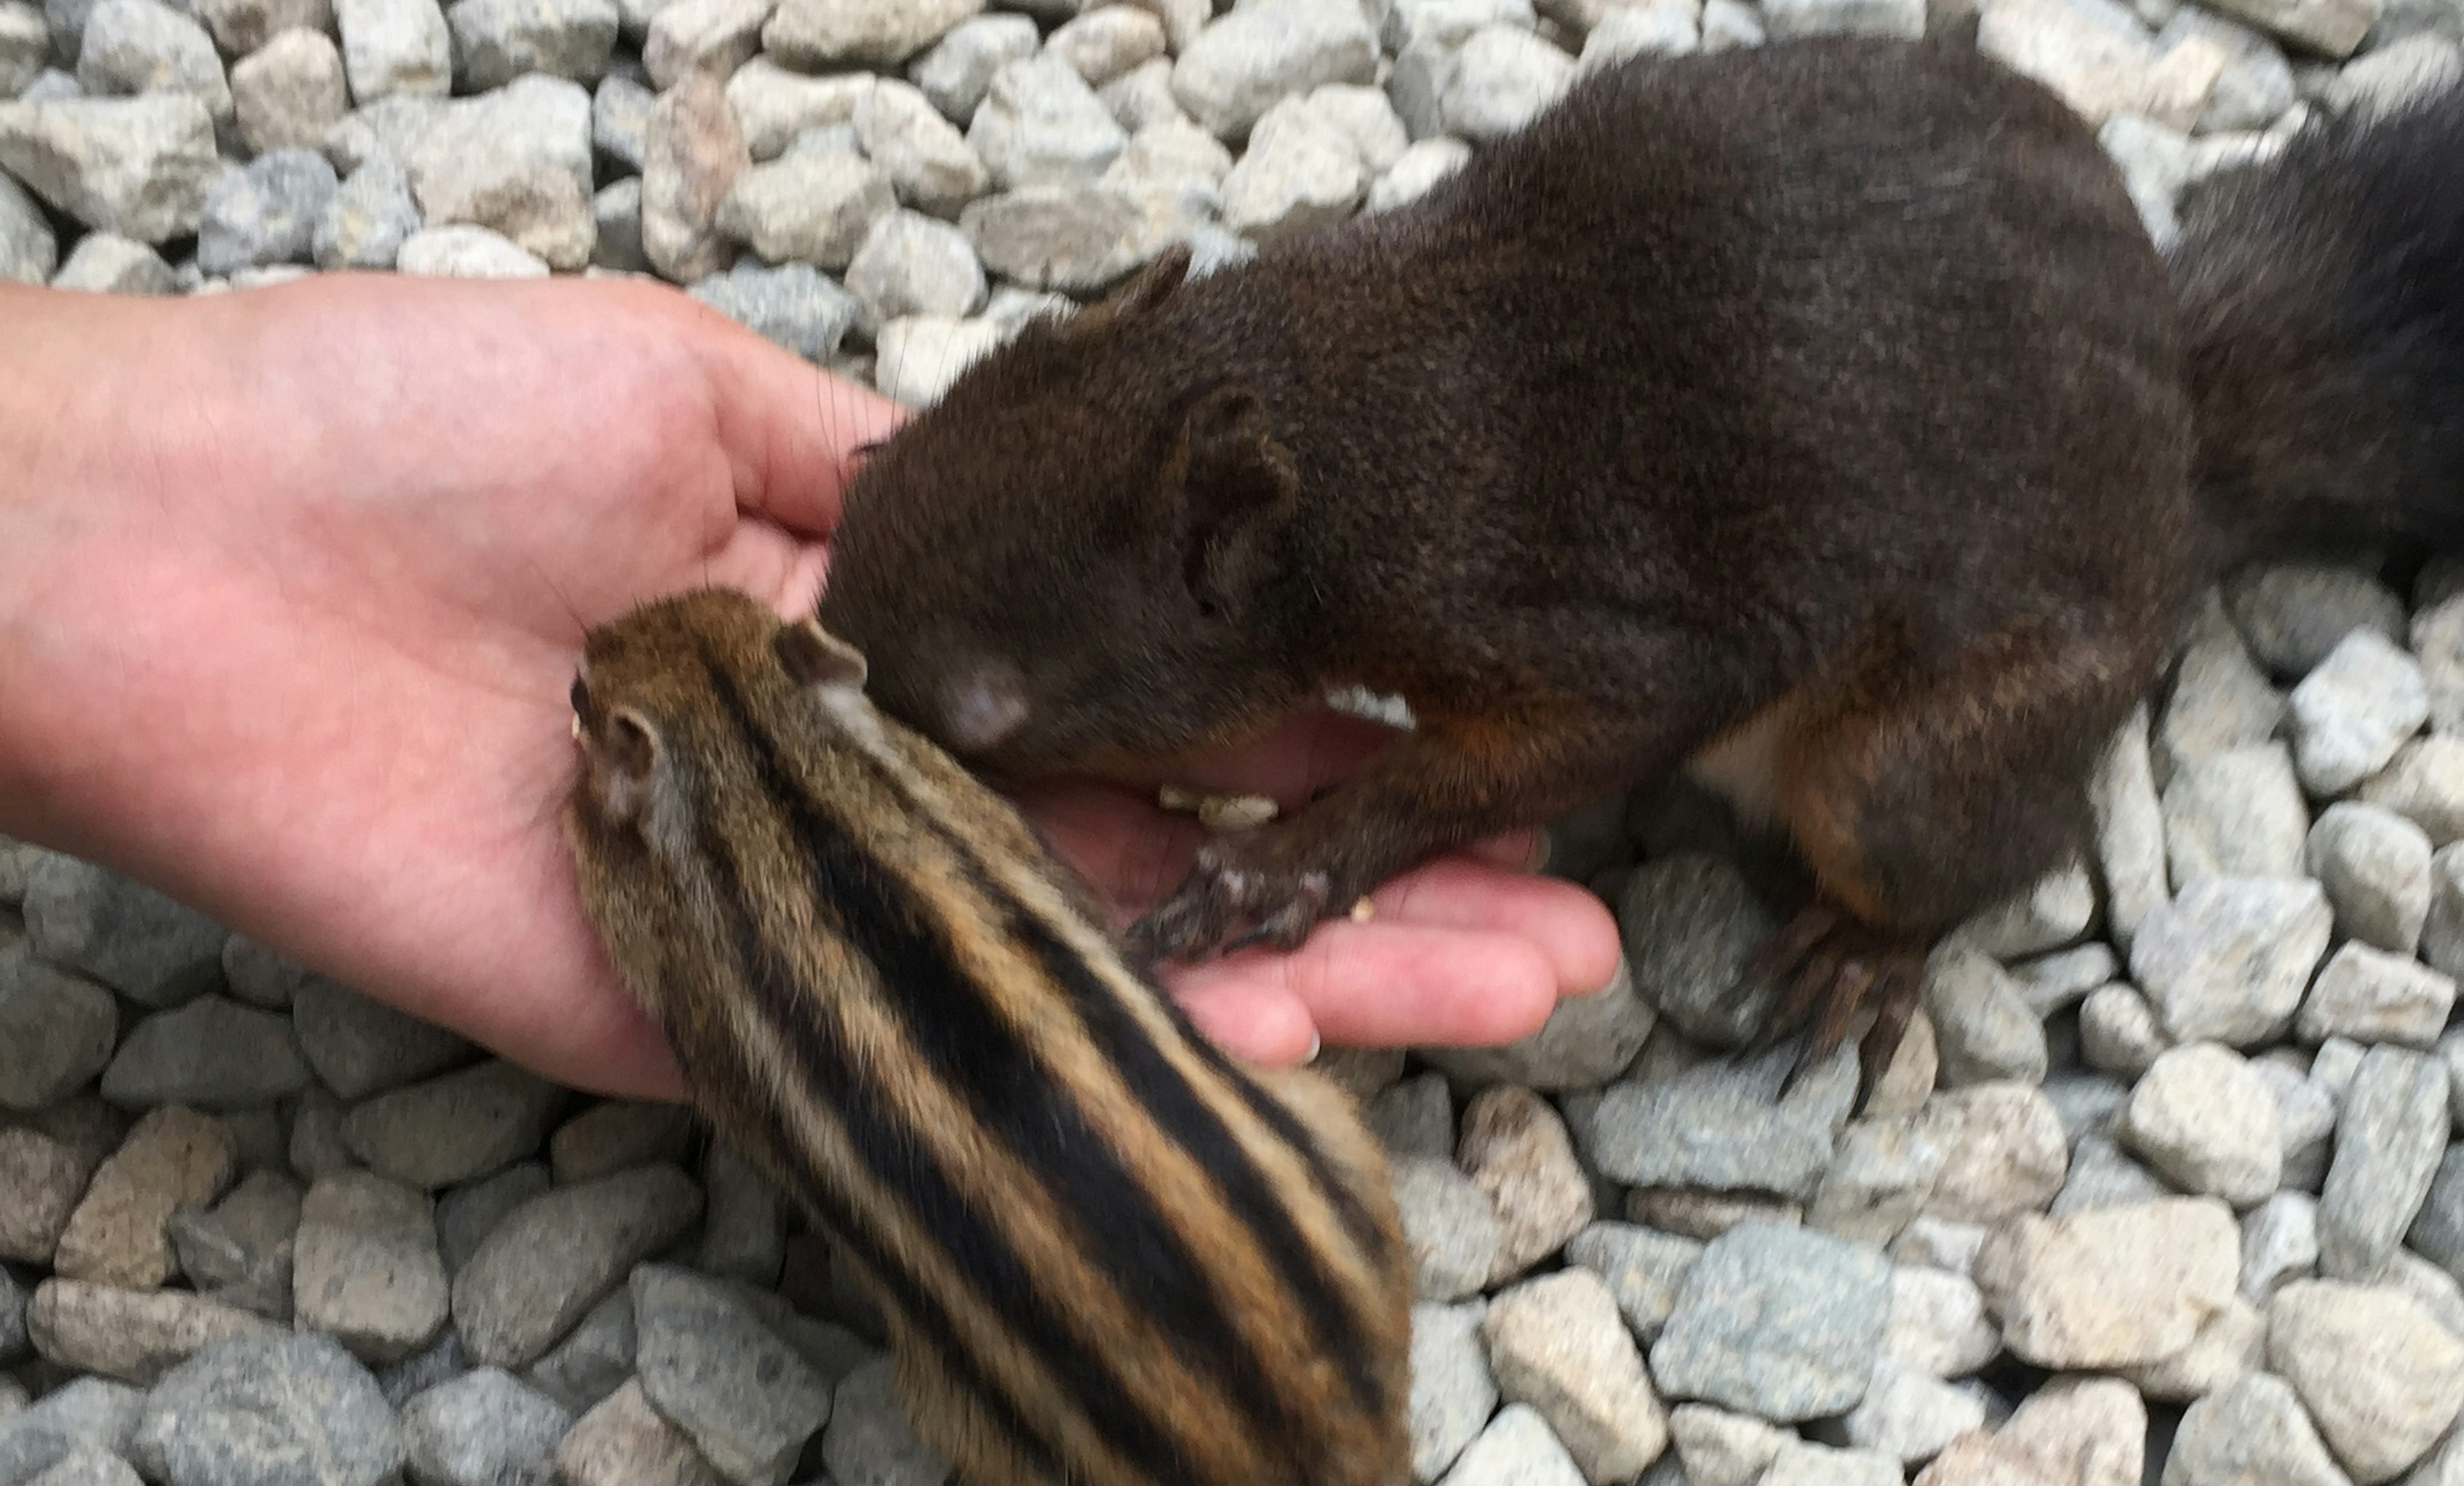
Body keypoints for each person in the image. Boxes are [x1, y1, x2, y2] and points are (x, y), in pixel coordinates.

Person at [0, 269, 1621, 1099]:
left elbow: (1606, 704)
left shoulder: (1485, 580)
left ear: (1227, 548)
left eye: (973, 715)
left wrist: (1344, 839)